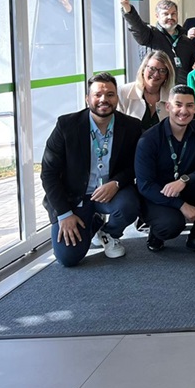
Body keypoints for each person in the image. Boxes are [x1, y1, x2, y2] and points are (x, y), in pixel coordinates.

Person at [40, 73, 143, 266]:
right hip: (74, 198)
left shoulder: (131, 126)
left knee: (129, 205)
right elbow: (48, 173)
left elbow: (136, 165)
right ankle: (92, 222)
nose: (104, 99)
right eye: (97, 95)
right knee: (68, 258)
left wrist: (117, 182)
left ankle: (109, 233)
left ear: (117, 98)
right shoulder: (66, 126)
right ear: (87, 98)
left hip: (111, 195)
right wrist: (64, 214)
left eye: (110, 94)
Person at [135, 85, 195, 256]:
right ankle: (156, 233)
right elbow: (145, 185)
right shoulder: (149, 139)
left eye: (189, 105)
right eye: (178, 105)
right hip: (159, 194)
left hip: (188, 187)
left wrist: (185, 180)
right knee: (170, 225)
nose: (184, 111)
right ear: (168, 106)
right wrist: (181, 205)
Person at [119, 0, 195, 85]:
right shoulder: (149, 34)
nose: (170, 17)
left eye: (173, 14)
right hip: (157, 89)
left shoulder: (186, 40)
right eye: (165, 14)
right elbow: (136, 25)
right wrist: (127, 8)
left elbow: (193, 65)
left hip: (181, 90)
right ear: (157, 16)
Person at [117, 50, 174, 130]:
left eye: (162, 71)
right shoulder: (124, 92)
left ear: (167, 75)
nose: (156, 74)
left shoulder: (172, 97)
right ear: (143, 69)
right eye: (152, 68)